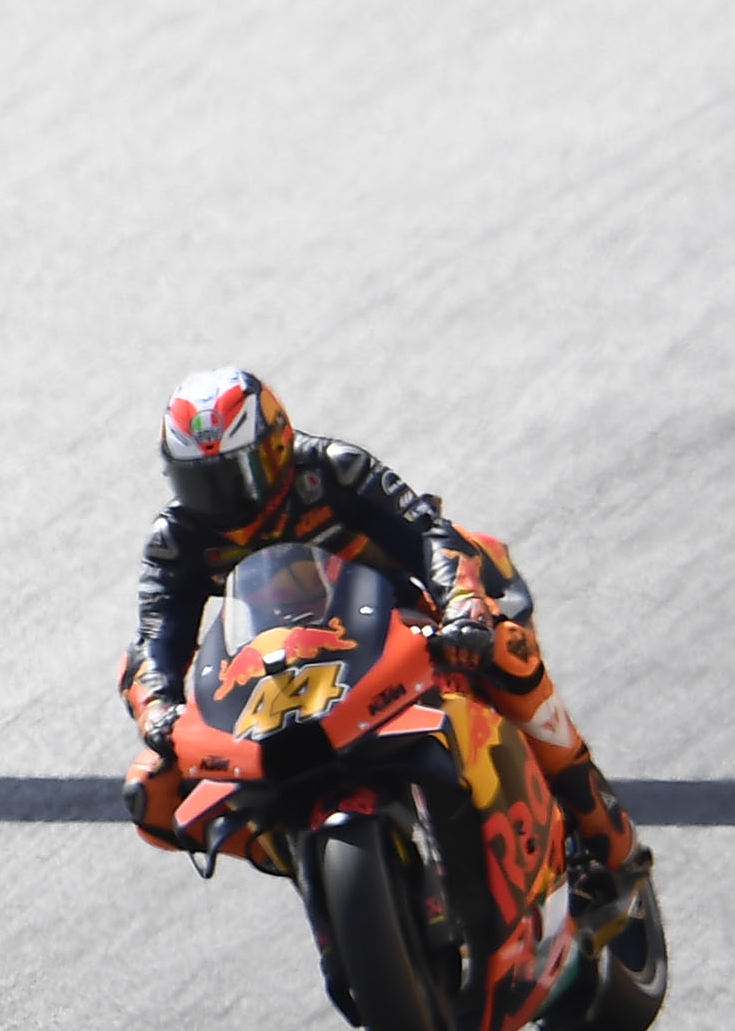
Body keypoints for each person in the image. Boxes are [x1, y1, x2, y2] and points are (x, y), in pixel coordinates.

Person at [118, 367, 648, 932]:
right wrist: (159, 709)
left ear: (276, 447)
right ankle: (301, 857)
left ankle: (605, 835)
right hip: (273, 680)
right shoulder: (177, 538)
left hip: (393, 630)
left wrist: (464, 605)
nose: (222, 500)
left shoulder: (333, 470)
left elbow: (427, 535)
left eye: (235, 475)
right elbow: (155, 640)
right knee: (153, 793)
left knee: (508, 646)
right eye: (200, 483)